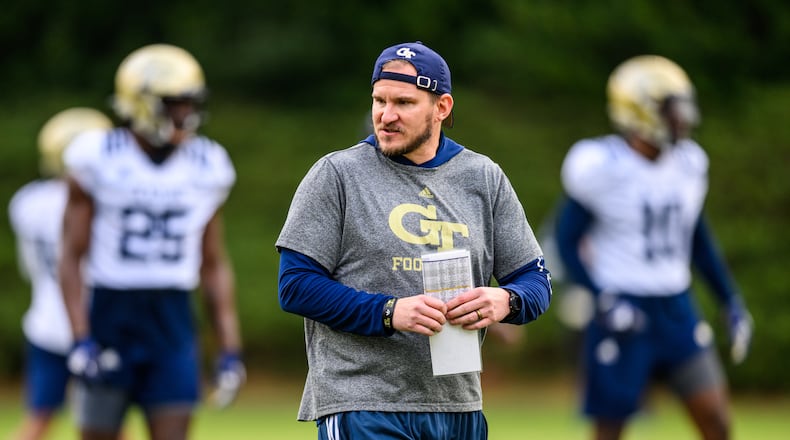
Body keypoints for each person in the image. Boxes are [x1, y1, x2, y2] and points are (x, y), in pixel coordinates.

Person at [276, 41, 552, 439]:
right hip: (364, 404)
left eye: (403, 103)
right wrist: (388, 312)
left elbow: (536, 281)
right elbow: (295, 285)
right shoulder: (336, 174)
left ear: (442, 107)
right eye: (379, 101)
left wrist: (505, 301)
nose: (386, 116)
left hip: (458, 407)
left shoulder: (484, 178)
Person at [554, 55, 754, 440]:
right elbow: (566, 241)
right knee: (609, 430)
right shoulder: (601, 165)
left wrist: (730, 299)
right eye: (671, 107)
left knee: (716, 421)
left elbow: (697, 238)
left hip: (676, 307)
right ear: (639, 109)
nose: (682, 116)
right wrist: (601, 297)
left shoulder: (689, 162)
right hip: (624, 307)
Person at [59, 43, 245, 440]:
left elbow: (212, 262)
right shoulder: (97, 156)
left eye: (189, 103)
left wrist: (229, 347)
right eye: (173, 104)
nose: (185, 114)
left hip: (172, 315)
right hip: (112, 310)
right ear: (140, 103)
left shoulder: (207, 163)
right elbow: (71, 255)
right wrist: (80, 337)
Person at [8, 108, 113, 440]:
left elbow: (29, 267)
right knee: (107, 424)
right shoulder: (97, 202)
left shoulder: (26, 201)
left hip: (44, 322)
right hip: (91, 321)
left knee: (38, 421)